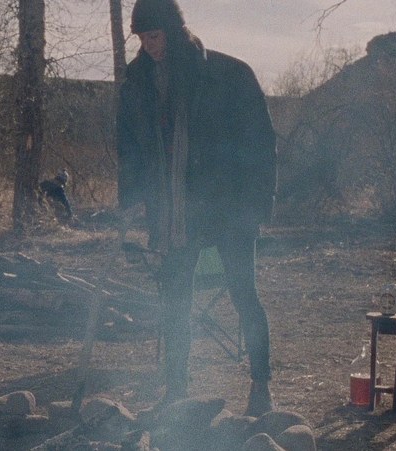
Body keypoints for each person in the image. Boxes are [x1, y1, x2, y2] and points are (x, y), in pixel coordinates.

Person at [116, 0, 277, 416]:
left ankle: (261, 386)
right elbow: (130, 146)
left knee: (244, 295)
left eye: (155, 36)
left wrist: (258, 205)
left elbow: (260, 143)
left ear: (174, 31)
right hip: (174, 210)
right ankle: (176, 391)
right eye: (142, 38)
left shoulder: (227, 74)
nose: (149, 45)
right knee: (175, 301)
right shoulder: (137, 81)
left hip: (228, 206)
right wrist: (130, 198)